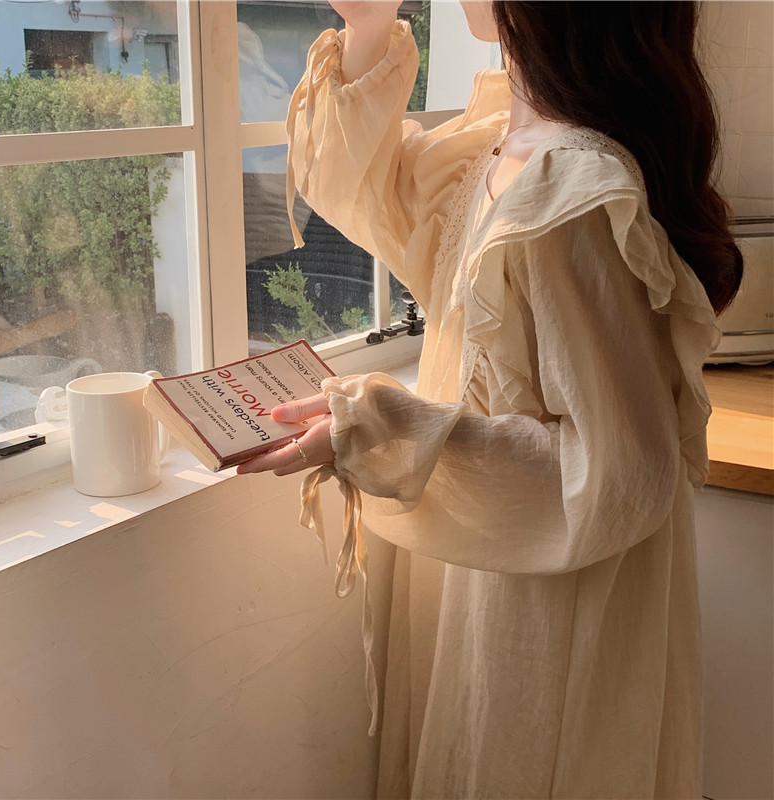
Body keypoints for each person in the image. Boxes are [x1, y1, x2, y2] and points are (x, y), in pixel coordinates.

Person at [236, 1, 743, 797]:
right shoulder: (502, 146)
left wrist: (381, 429)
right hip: (488, 561)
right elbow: (360, 188)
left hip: (545, 599)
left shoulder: (567, 193)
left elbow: (619, 472)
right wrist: (367, 25)